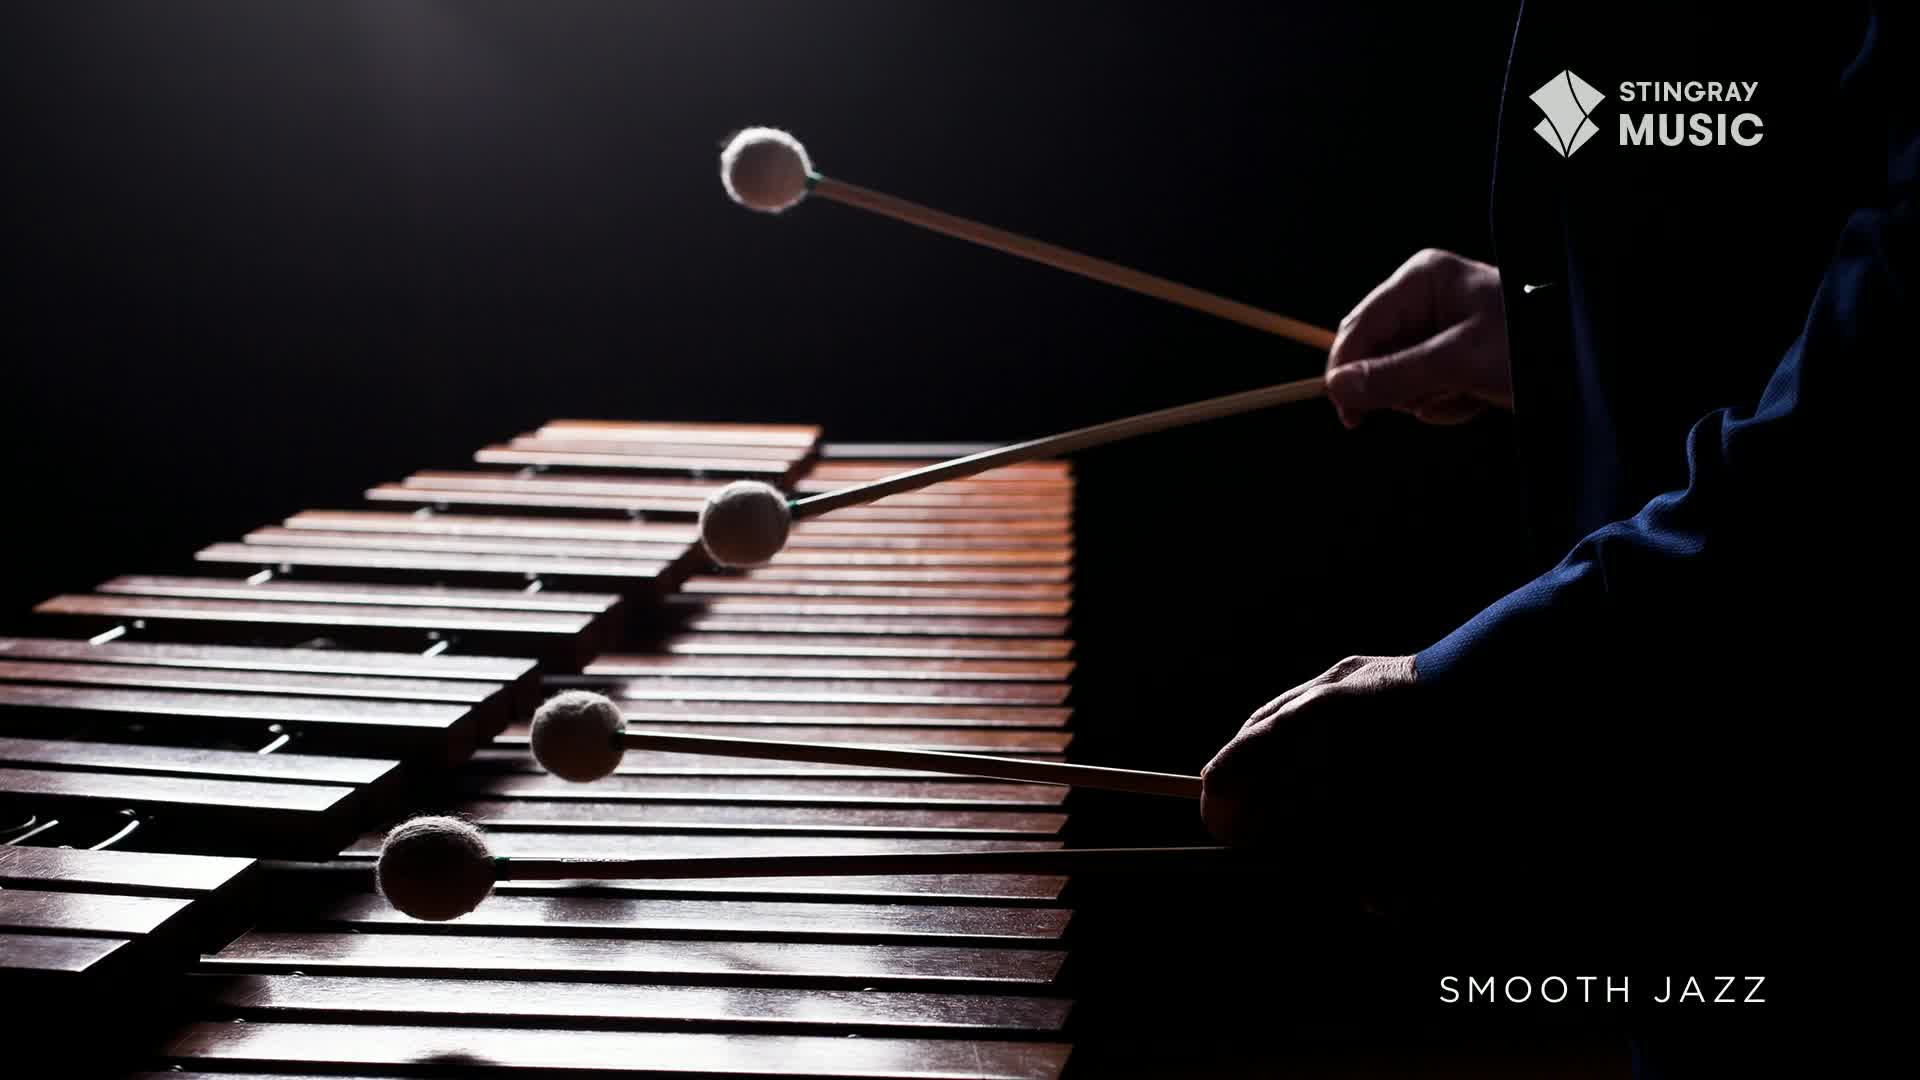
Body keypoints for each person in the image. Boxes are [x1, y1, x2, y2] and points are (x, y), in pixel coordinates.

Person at [1200, 4, 1910, 1075]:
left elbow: (1886, 410)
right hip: (1707, 823)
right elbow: (1804, 167)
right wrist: (1562, 332)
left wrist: (1474, 690)